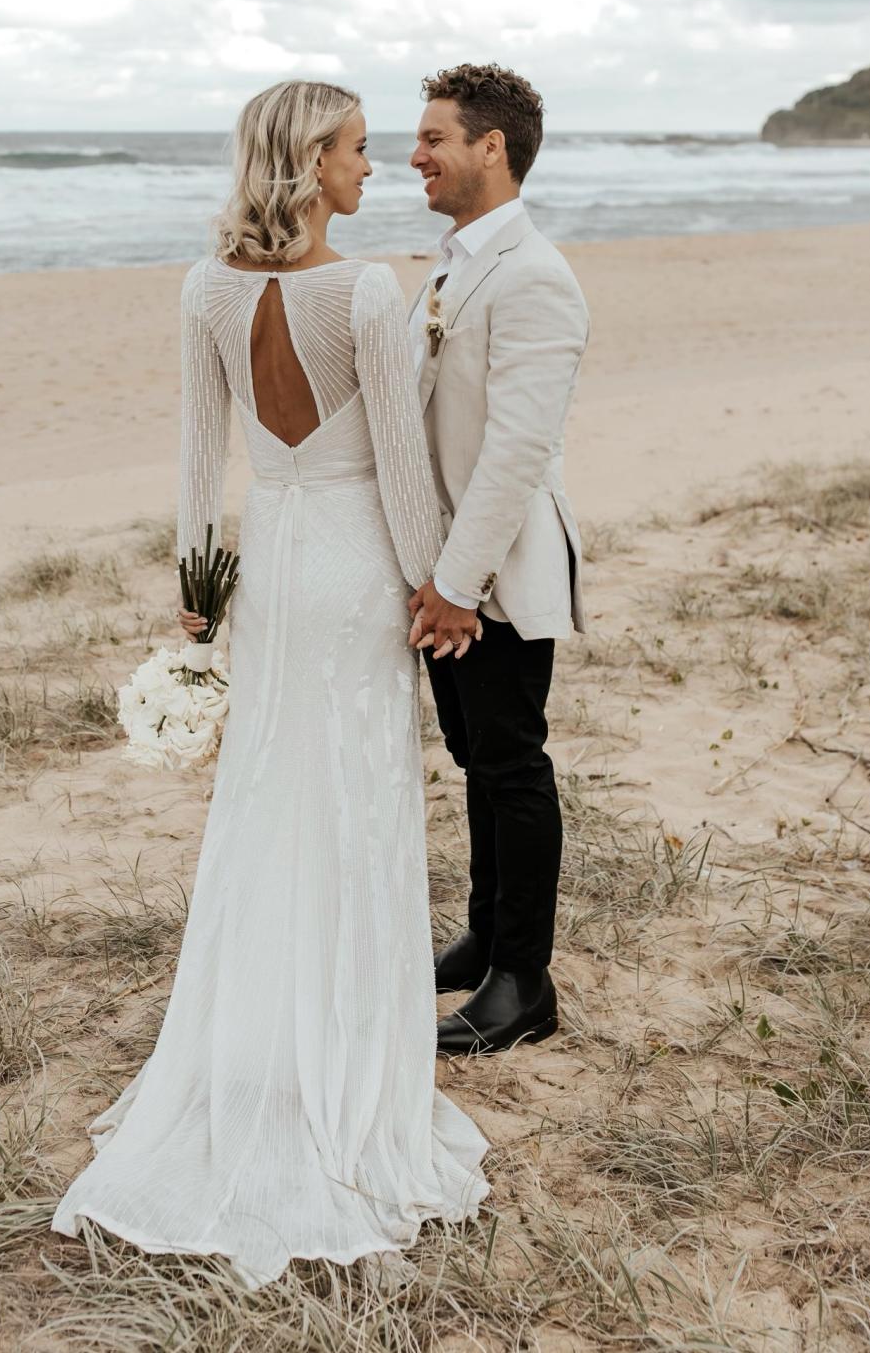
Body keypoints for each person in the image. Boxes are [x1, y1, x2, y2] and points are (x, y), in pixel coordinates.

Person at [51, 78, 488, 1290]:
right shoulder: (364, 291)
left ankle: (256, 1047)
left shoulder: (205, 289)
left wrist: (197, 590)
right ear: (306, 167)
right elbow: (402, 466)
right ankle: (343, 1074)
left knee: (268, 800)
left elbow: (199, 450)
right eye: (354, 151)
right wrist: (441, 592)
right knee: (355, 808)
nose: (373, 168)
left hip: (275, 566)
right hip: (352, 567)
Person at [407, 63, 589, 1056]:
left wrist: (455, 584)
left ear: (492, 147)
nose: (415, 154)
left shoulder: (534, 277)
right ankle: (484, 937)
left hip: (499, 572)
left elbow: (516, 451)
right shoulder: (455, 264)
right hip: (453, 569)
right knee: (477, 757)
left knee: (513, 763)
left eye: (435, 137)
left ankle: (525, 979)